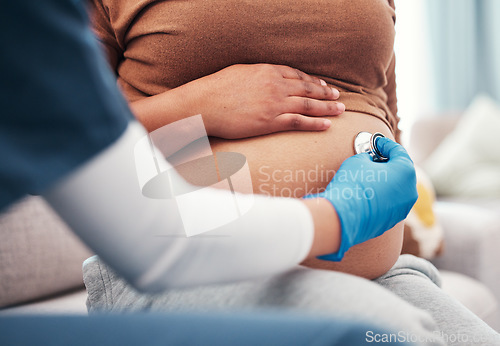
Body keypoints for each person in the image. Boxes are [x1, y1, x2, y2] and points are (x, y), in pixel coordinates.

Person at [1, 0, 448, 345]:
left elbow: (381, 111)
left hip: (368, 267)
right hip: (188, 270)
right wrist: (197, 108)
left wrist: (391, 213)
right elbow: (67, 140)